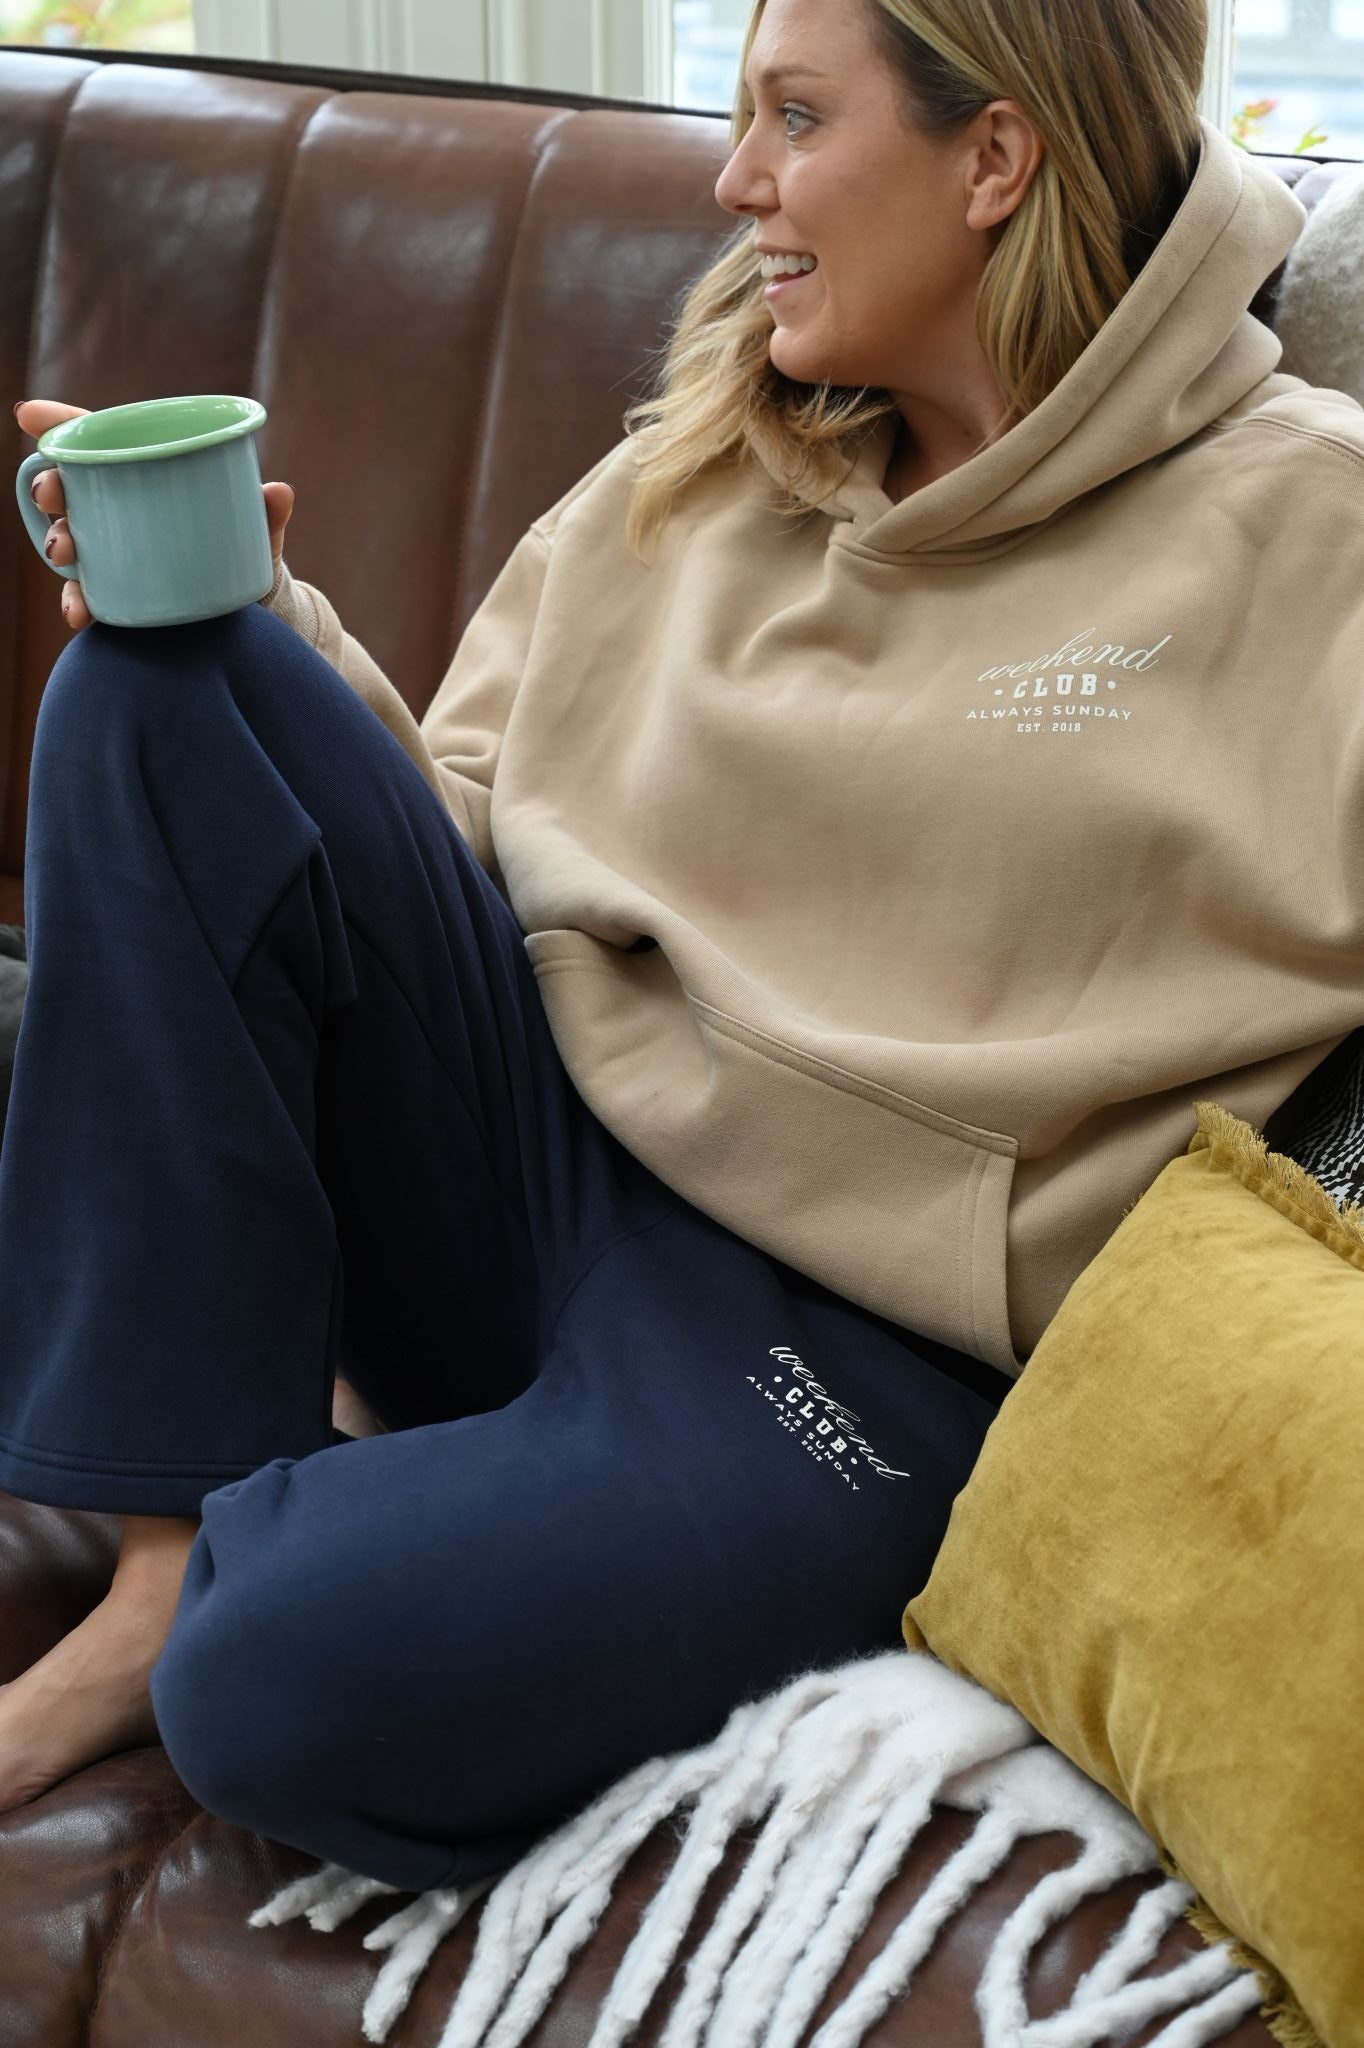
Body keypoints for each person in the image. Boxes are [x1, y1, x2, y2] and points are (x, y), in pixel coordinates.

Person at [3, 0, 1363, 1893]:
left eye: (796, 120)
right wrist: (264, 632)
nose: (736, 185)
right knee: (159, 683)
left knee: (281, 1691)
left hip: (846, 1367)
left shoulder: (1318, 535)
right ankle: (161, 1557)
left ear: (995, 160)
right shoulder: (708, 467)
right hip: (537, 1172)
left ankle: (255, 1581)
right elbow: (459, 845)